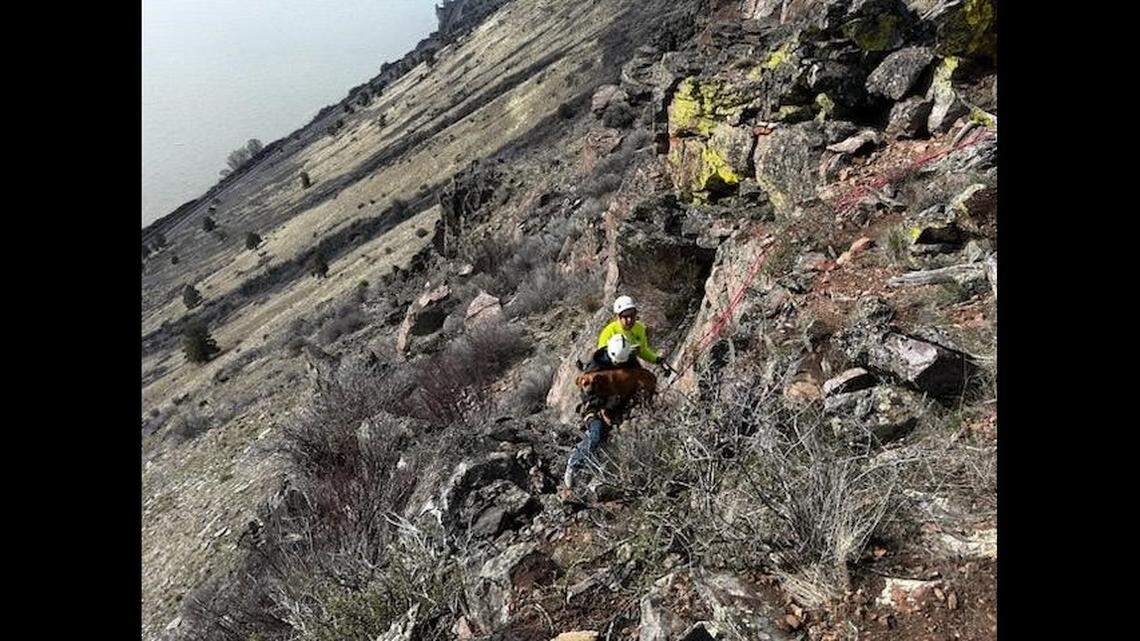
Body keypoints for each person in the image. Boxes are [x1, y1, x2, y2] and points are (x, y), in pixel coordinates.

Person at [586, 295, 674, 375]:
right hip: (609, 367)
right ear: (618, 317)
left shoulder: (639, 328)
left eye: (632, 315)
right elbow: (603, 355)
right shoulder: (609, 331)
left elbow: (643, 351)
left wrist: (656, 359)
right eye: (625, 316)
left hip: (629, 364)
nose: (629, 320)